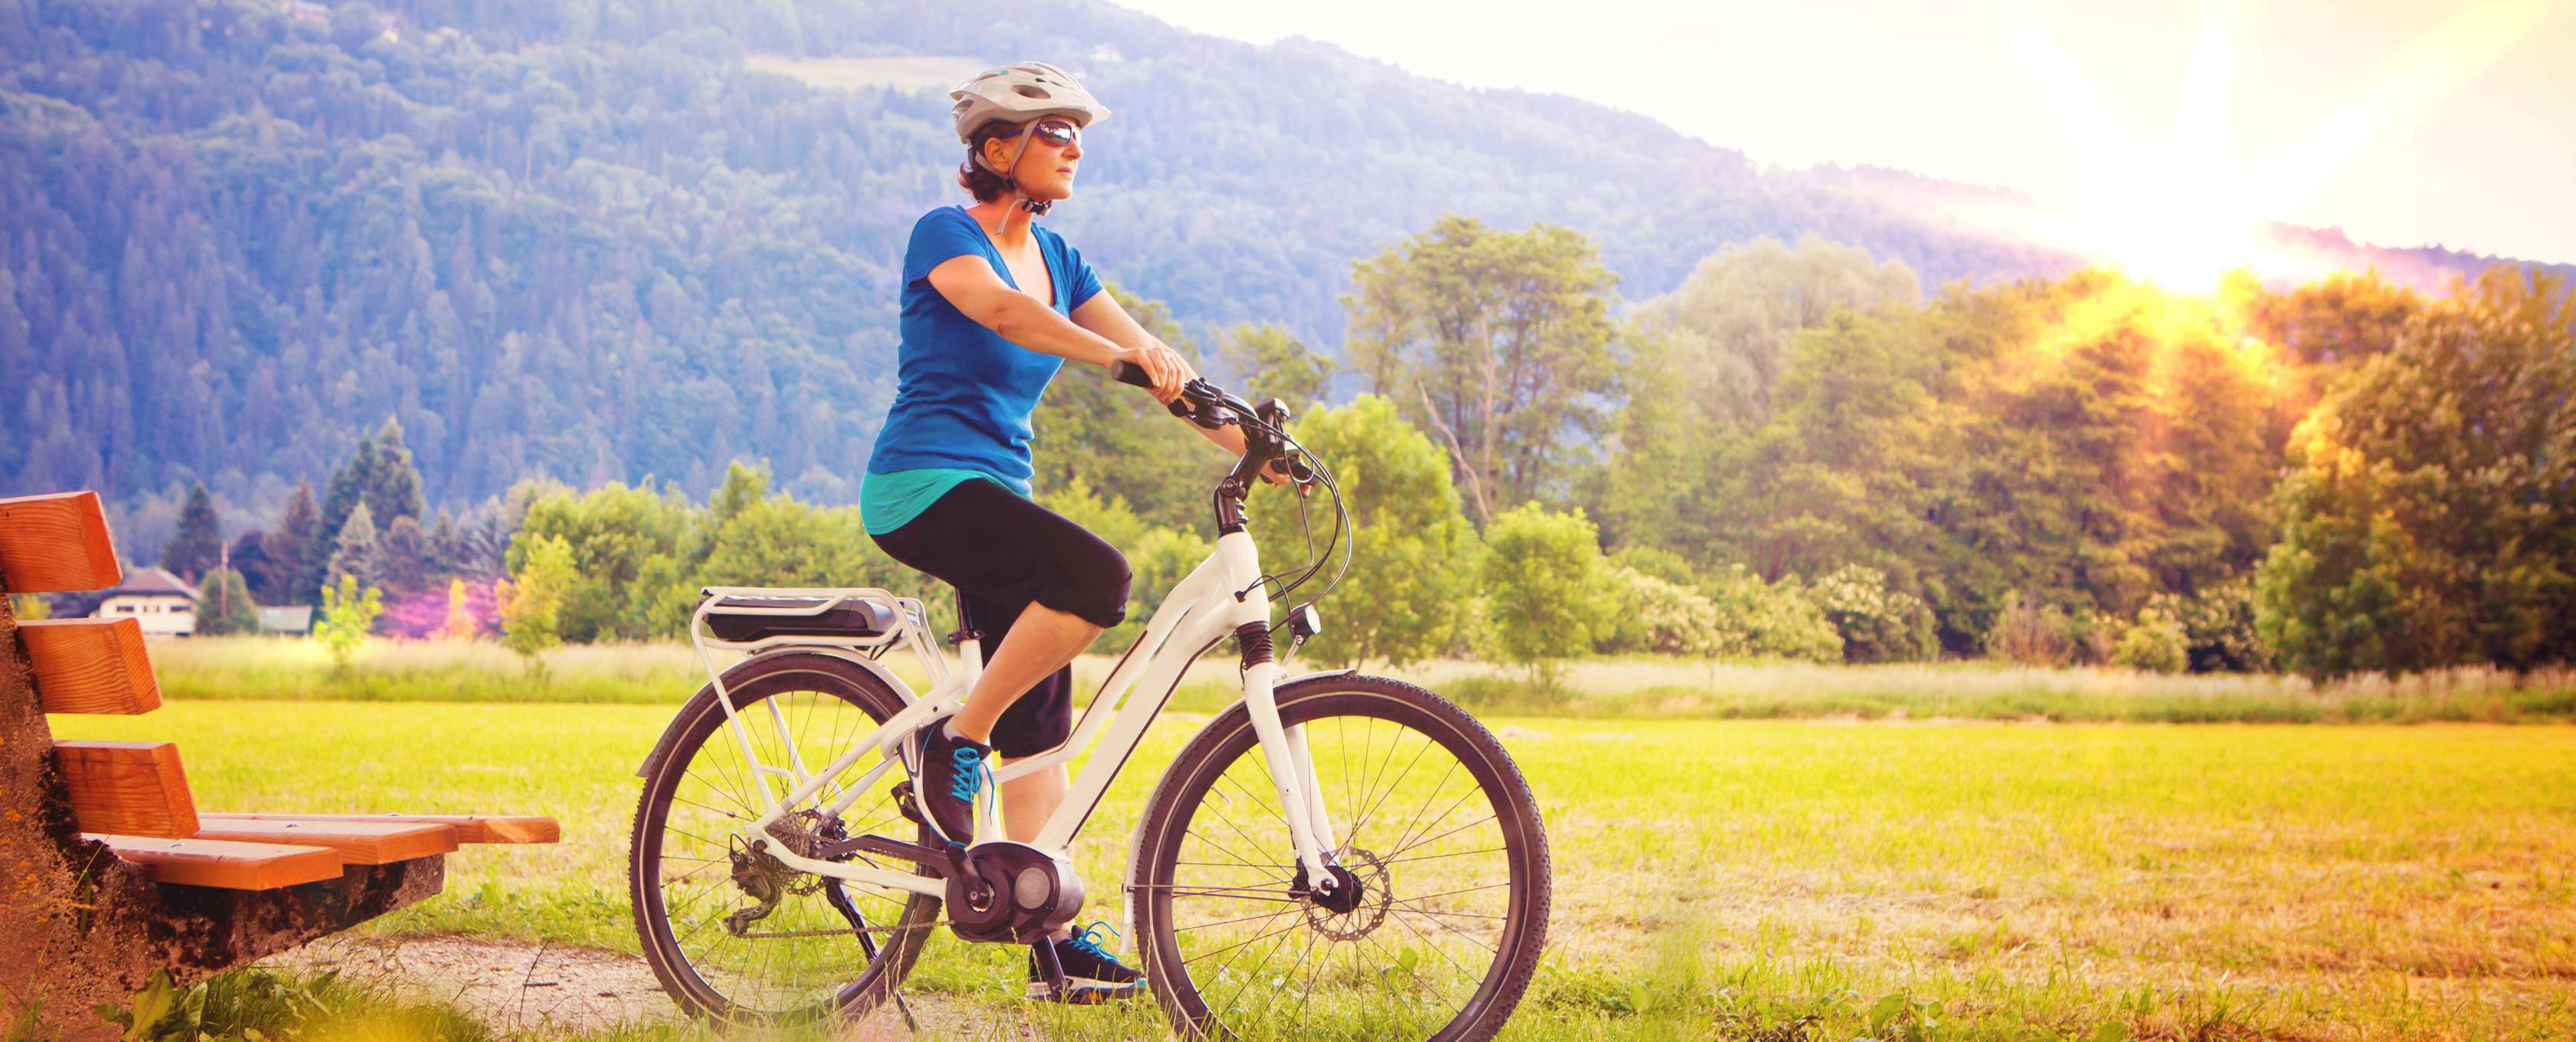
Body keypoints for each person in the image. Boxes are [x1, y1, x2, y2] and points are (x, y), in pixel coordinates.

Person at [859, 61, 1286, 1003]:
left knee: (1043, 725)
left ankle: (1047, 932)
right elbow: (1003, 311)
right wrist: (1123, 361)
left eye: (1078, 134)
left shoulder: (1064, 260)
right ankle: (951, 747)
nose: (1076, 148)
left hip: (998, 495)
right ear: (996, 147)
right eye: (1057, 132)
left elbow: (1162, 371)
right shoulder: (947, 233)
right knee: (1097, 579)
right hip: (921, 488)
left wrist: (1255, 439)